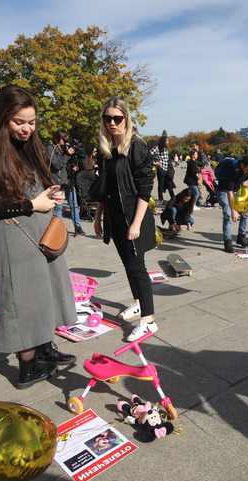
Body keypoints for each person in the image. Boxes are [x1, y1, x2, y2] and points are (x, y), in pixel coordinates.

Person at [0, 84, 77, 389]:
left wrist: (52, 192)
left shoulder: (28, 146)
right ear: (3, 118)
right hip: (10, 237)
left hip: (39, 231)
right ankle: (28, 367)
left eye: (31, 122)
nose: (27, 129)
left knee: (44, 294)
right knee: (20, 299)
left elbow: (36, 183)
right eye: (19, 122)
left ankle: (45, 349)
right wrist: (32, 204)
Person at [92, 96, 159, 342]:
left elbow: (145, 188)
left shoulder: (136, 146)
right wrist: (98, 216)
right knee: (128, 265)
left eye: (117, 118)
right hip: (114, 216)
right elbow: (104, 187)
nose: (112, 123)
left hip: (133, 215)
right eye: (108, 118)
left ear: (126, 119)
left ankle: (148, 321)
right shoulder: (107, 150)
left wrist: (136, 223)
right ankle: (139, 303)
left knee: (137, 267)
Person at [216, 155, 248, 252]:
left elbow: (245, 181)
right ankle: (227, 241)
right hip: (223, 191)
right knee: (228, 214)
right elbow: (229, 191)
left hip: (236, 190)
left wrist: (244, 197)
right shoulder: (231, 168)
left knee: (245, 213)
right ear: (242, 165)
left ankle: (241, 237)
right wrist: (233, 210)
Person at [149, 135, 174, 202]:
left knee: (169, 183)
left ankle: (173, 198)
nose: (168, 142)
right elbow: (148, 155)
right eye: (167, 141)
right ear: (164, 141)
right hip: (160, 168)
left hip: (167, 168)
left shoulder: (166, 148)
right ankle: (161, 199)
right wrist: (154, 163)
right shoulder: (156, 148)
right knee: (161, 184)